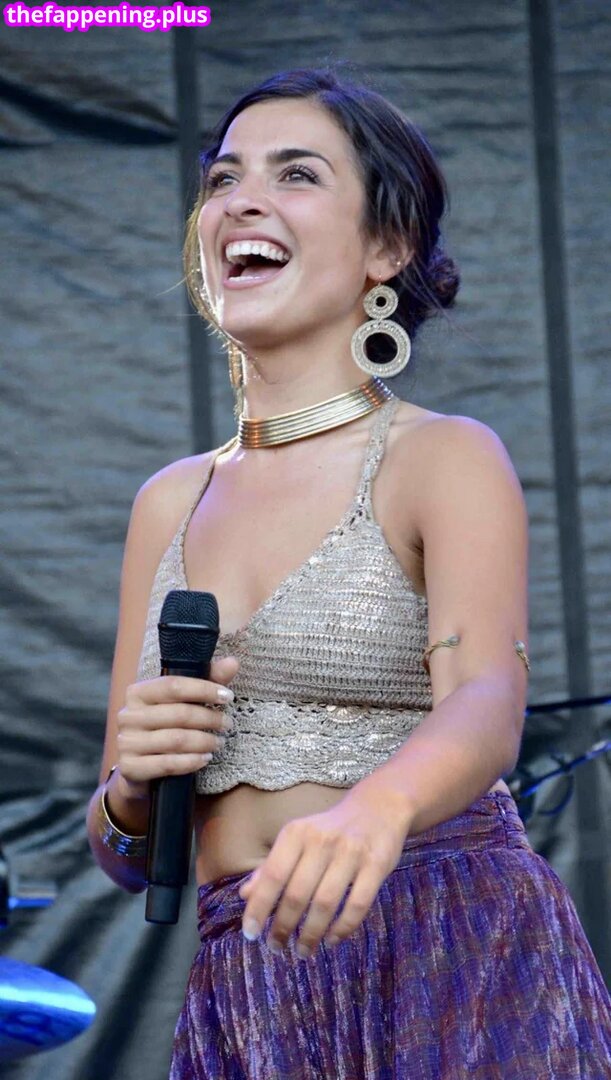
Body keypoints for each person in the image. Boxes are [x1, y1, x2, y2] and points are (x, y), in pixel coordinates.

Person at [87, 67, 611, 1079]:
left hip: (446, 941)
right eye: (225, 177)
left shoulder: (439, 455)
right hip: (247, 981)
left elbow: (486, 701)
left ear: (387, 245)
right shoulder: (167, 503)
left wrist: (376, 808)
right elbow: (122, 857)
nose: (243, 199)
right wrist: (134, 793)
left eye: (295, 174)